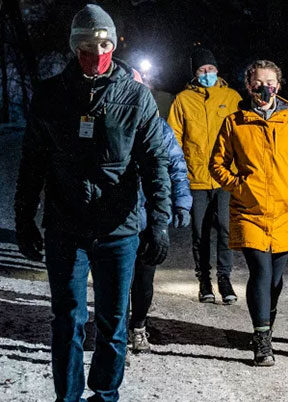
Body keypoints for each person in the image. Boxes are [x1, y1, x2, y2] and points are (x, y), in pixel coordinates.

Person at [14, 4, 171, 401]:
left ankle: (105, 393)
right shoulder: (50, 96)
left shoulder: (136, 98)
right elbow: (32, 161)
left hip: (118, 229)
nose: (95, 50)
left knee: (113, 322)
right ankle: (67, 396)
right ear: (73, 46)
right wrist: (24, 217)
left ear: (114, 44)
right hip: (66, 226)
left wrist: (160, 220)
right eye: (85, 43)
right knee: (67, 319)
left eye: (102, 42)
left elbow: (155, 162)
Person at [210, 59, 288, 366]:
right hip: (249, 210)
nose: (264, 87)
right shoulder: (234, 122)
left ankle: (266, 318)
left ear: (278, 86)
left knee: (275, 280)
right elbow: (217, 165)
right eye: (257, 82)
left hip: (284, 210)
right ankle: (262, 339)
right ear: (249, 86)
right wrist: (241, 187)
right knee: (261, 271)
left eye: (270, 82)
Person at [168, 47, 242, 304]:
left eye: (210, 69)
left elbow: (242, 134)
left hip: (225, 177)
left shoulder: (232, 97)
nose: (207, 73)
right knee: (200, 232)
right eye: (202, 70)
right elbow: (173, 138)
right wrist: (177, 171)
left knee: (225, 229)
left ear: (217, 70)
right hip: (195, 178)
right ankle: (204, 281)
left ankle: (225, 278)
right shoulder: (183, 100)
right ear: (194, 73)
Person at [128, 114, 192, 353]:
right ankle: (116, 332)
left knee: (144, 275)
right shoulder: (104, 119)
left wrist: (182, 202)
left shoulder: (157, 127)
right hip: (113, 215)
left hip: (149, 213)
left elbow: (175, 164)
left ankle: (138, 327)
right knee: (117, 278)